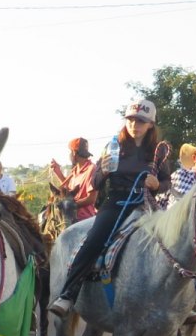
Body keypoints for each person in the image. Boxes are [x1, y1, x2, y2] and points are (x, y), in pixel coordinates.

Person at [50, 99, 173, 319]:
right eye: (131, 120)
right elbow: (95, 183)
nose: (134, 125)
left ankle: (185, 301)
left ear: (150, 125)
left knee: (175, 239)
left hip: (146, 203)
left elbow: (166, 182)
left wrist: (157, 185)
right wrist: (104, 171)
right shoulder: (114, 146)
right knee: (94, 240)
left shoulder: (157, 151)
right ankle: (68, 294)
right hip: (116, 201)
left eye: (141, 121)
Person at [49, 137, 98, 221]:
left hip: (85, 219)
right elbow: (69, 192)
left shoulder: (92, 169)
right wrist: (58, 171)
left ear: (74, 153)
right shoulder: (75, 170)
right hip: (71, 217)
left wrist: (71, 205)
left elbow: (91, 199)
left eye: (70, 152)